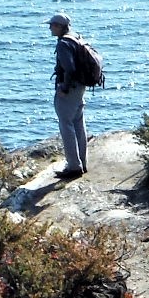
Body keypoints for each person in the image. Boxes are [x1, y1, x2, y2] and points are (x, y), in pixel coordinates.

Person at [49, 12, 88, 177]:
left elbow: (70, 68)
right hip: (80, 87)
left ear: (59, 27)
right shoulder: (76, 38)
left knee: (66, 126)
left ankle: (73, 167)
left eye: (52, 25)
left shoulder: (63, 44)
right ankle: (82, 163)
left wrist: (64, 87)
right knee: (78, 124)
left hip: (70, 90)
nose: (50, 28)